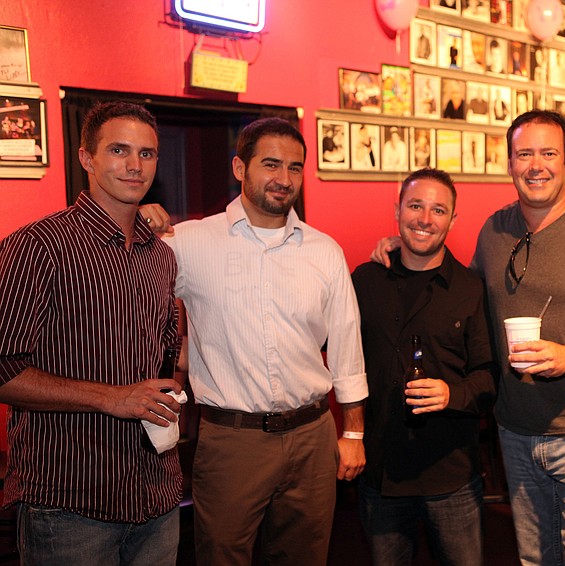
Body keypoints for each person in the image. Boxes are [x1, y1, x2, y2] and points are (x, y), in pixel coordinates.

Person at [373, 110, 565, 565]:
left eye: (548, 153)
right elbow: (458, 300)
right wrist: (404, 248)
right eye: (525, 154)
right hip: (517, 432)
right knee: (535, 559)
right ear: (509, 162)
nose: (536, 165)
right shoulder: (494, 231)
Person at [145, 117, 368, 566]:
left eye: (295, 167)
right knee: (222, 558)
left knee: (305, 558)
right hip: (232, 440)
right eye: (270, 164)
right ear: (239, 168)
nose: (284, 179)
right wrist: (139, 219)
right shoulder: (187, 242)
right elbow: (130, 299)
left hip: (312, 436)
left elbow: (347, 347)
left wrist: (354, 432)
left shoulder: (324, 250)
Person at [0, 101, 184, 564]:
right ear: (87, 158)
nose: (134, 165)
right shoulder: (38, 246)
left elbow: (163, 358)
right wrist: (111, 396)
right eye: (119, 150)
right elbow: (4, 370)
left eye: (147, 153)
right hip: (72, 501)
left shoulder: (160, 255)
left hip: (157, 492)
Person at [353, 168, 497, 566]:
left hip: (451, 475)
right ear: (397, 210)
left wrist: (454, 393)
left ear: (453, 220)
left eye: (438, 210)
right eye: (415, 205)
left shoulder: (470, 289)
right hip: (381, 472)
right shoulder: (365, 280)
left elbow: (489, 376)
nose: (425, 219)